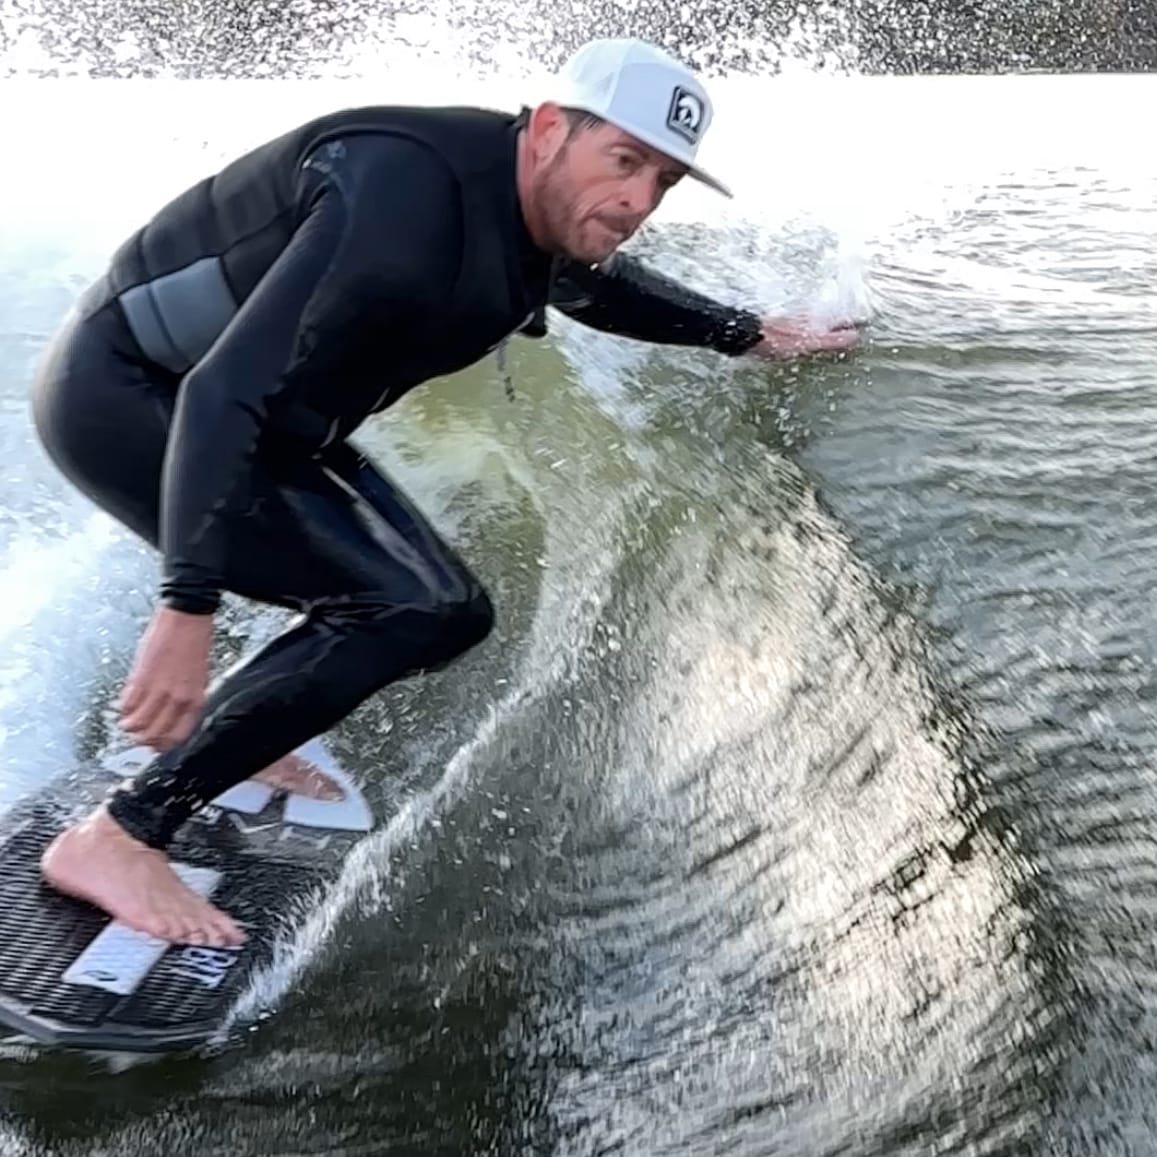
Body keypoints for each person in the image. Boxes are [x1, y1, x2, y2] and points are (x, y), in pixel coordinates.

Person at [30, 37, 861, 949]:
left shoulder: (526, 207)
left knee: (447, 610)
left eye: (661, 180)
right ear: (548, 130)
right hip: (132, 397)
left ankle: (245, 731)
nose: (636, 201)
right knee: (391, 604)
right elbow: (218, 392)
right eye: (623, 161)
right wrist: (186, 606)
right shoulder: (399, 197)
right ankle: (118, 834)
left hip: (259, 428)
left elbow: (592, 286)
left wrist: (747, 333)